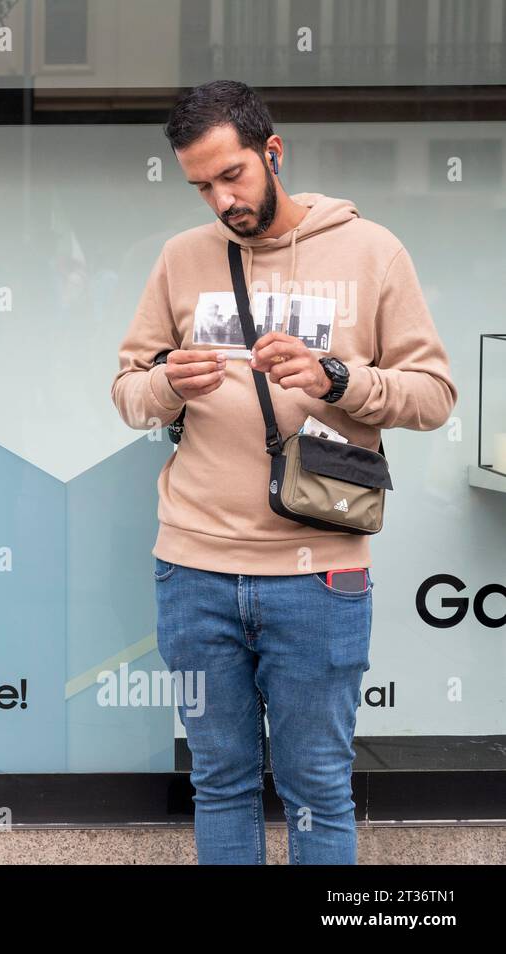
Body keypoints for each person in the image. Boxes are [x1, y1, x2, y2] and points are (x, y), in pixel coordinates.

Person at [110, 80, 457, 864]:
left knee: (319, 786)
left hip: (320, 574)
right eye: (201, 185)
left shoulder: (372, 252)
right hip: (194, 568)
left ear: (273, 152)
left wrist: (338, 379)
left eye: (232, 175)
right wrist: (169, 384)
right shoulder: (180, 260)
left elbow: (434, 397)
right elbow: (129, 393)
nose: (221, 200)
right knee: (222, 783)